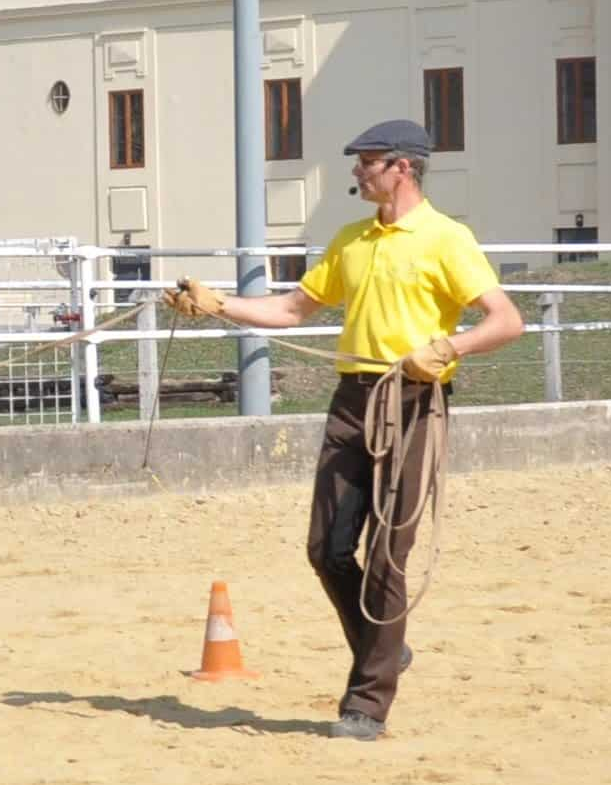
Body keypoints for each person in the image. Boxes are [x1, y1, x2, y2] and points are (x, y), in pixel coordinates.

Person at [163, 119, 524, 741]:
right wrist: (218, 305)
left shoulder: (445, 238)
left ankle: (367, 703)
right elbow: (290, 309)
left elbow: (506, 321)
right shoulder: (351, 241)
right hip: (352, 399)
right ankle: (385, 643)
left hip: (413, 403)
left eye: (368, 161)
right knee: (326, 548)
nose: (358, 171)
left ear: (403, 168)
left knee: (388, 554)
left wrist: (445, 348)